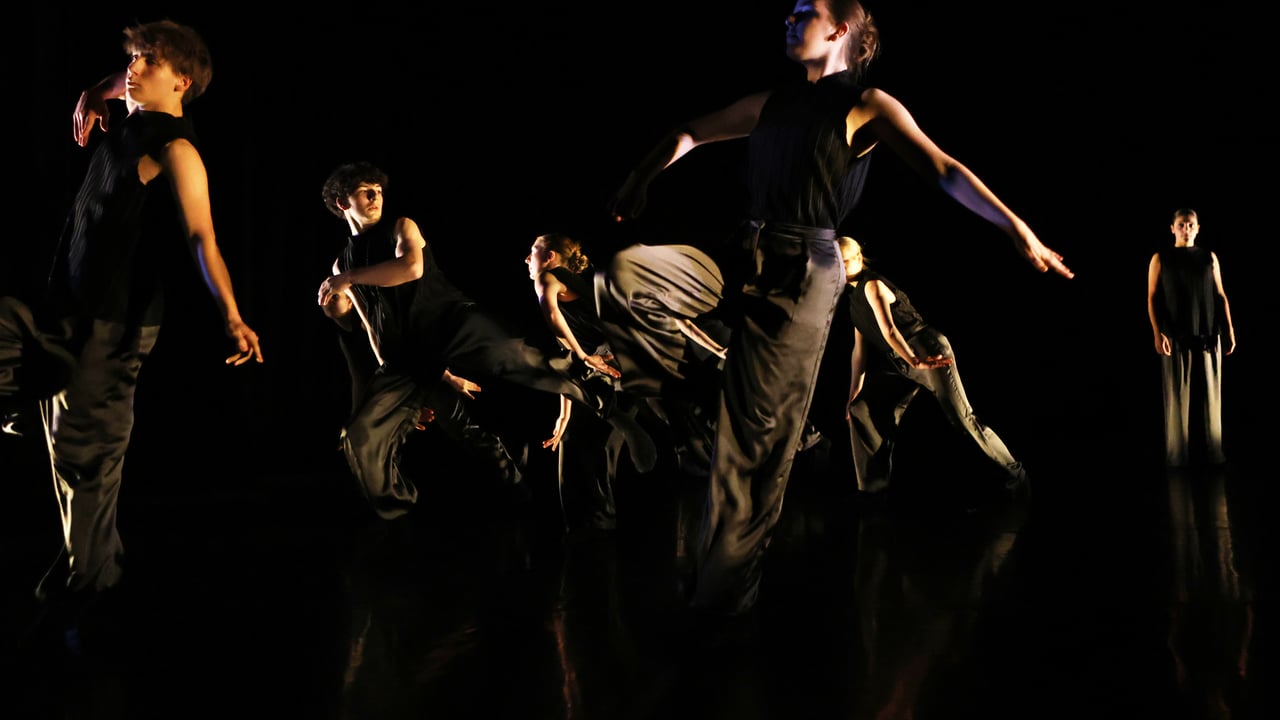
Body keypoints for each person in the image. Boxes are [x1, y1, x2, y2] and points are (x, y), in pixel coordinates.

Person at [606, 0, 1072, 618]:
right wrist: (640, 177)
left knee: (755, 445)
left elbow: (943, 168)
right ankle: (667, 409)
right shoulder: (772, 102)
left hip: (802, 266)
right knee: (627, 274)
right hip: (742, 253)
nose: (788, 17)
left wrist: (1018, 230)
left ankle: (721, 604)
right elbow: (689, 131)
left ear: (840, 30)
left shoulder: (867, 104)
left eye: (806, 11)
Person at [0, 19, 264, 607]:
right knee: (58, 429)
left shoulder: (177, 150)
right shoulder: (132, 114)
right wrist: (95, 91)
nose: (133, 69)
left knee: (86, 463)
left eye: (149, 61)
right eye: (134, 58)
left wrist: (231, 315)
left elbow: (202, 239)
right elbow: (116, 84)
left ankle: (92, 585)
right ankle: (30, 414)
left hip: (114, 325)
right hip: (69, 308)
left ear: (182, 81)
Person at [318, 162, 644, 520]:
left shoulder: (400, 227)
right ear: (342, 202)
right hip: (411, 351)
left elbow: (412, 268)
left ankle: (607, 408)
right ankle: (400, 508)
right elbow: (373, 327)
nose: (375, 197)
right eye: (365, 192)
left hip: (451, 320)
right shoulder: (341, 267)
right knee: (360, 436)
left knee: (520, 357)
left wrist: (349, 278)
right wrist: (405, 388)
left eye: (378, 191)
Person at [813, 236, 1029, 499]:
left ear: (857, 259)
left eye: (843, 262)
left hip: (926, 349)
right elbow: (859, 351)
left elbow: (890, 331)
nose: (838, 268)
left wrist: (916, 360)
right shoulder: (853, 301)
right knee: (861, 409)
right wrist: (853, 392)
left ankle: (1016, 477)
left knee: (963, 419)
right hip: (902, 359)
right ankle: (873, 491)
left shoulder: (872, 285)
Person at [1147, 208, 1235, 467]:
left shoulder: (1209, 257)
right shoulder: (1161, 258)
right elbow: (1152, 297)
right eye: (1181, 224)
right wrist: (1157, 332)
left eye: (1190, 225)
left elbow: (1220, 294)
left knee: (1212, 397)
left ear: (1197, 228)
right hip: (1175, 335)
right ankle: (1177, 457)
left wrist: (1229, 330)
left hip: (1208, 332)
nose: (1186, 229)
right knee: (1176, 399)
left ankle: (1214, 453)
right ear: (1172, 228)